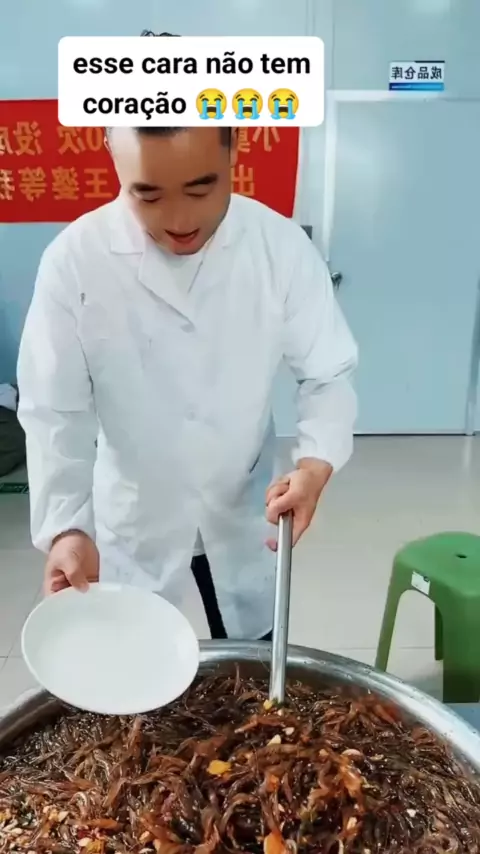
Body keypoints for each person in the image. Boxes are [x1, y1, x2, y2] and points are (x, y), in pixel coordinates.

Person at [17, 124, 357, 641]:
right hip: (135, 518)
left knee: (251, 663)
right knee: (134, 665)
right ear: (111, 154)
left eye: (201, 188)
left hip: (242, 504)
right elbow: (52, 410)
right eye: (148, 194)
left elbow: (327, 372)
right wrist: (67, 528)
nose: (179, 220)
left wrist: (314, 467)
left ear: (234, 145)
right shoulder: (76, 261)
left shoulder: (279, 247)